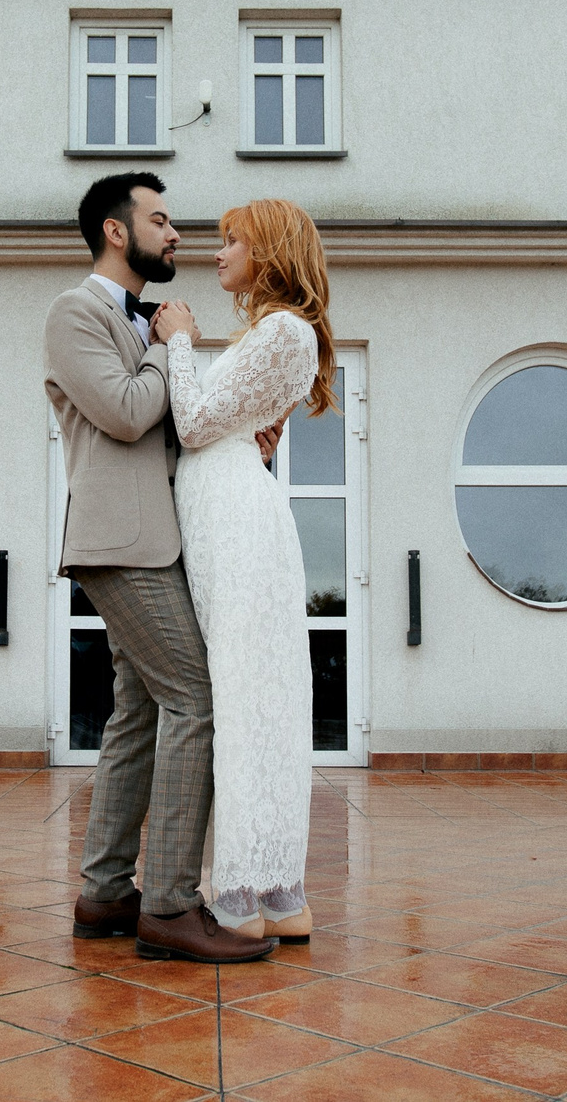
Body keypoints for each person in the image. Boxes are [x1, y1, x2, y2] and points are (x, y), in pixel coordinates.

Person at [43, 173, 276, 964]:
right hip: (121, 541)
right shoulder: (75, 312)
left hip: (157, 537)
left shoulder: (141, 320)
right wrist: (168, 342)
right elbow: (125, 410)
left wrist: (242, 437)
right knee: (195, 696)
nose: (177, 234)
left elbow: (178, 428)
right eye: (162, 219)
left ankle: (106, 893)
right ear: (117, 231)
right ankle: (171, 903)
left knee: (138, 712)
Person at [150, 198, 334, 942]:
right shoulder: (276, 333)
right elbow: (234, 429)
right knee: (256, 696)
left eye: (233, 240)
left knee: (246, 697)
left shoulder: (284, 328)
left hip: (235, 519)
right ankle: (278, 891)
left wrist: (179, 341)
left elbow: (194, 425)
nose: (217, 251)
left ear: (272, 250)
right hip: (229, 508)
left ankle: (244, 893)